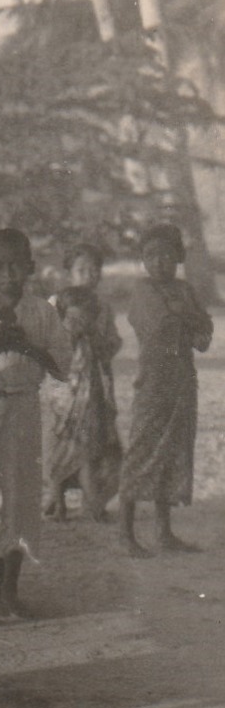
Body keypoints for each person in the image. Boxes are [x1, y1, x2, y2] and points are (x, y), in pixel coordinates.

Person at [0, 227, 71, 617]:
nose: (8, 274)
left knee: (18, 495)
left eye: (16, 265)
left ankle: (10, 589)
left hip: (23, 409)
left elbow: (61, 367)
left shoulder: (42, 313)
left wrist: (26, 346)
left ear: (30, 267)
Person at [119, 223, 214, 556]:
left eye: (166, 254)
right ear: (142, 260)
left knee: (173, 450)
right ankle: (125, 533)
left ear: (179, 256)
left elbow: (204, 326)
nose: (159, 262)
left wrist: (186, 321)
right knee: (142, 450)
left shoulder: (185, 290)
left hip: (182, 380)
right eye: (150, 255)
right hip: (154, 381)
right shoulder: (142, 290)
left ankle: (163, 532)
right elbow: (161, 326)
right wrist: (186, 322)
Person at [46, 243, 122, 521]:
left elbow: (113, 342)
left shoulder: (102, 306)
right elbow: (46, 343)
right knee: (66, 441)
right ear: (69, 273)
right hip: (65, 387)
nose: (89, 275)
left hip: (97, 383)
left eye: (95, 270)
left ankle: (94, 500)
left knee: (96, 443)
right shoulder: (56, 303)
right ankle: (59, 500)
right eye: (81, 270)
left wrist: (98, 341)